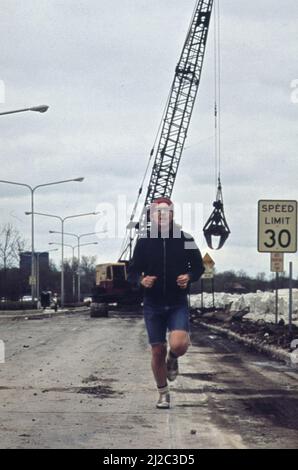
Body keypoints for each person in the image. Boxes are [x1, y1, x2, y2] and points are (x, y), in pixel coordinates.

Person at [128, 197, 204, 409]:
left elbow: (198, 267)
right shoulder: (144, 241)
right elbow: (132, 270)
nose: (162, 215)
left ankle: (173, 358)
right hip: (153, 303)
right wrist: (141, 280)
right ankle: (163, 393)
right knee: (157, 350)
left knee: (179, 344)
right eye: (157, 212)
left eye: (166, 211)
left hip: (177, 301)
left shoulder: (185, 238)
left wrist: (189, 276)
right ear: (151, 216)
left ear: (172, 215)